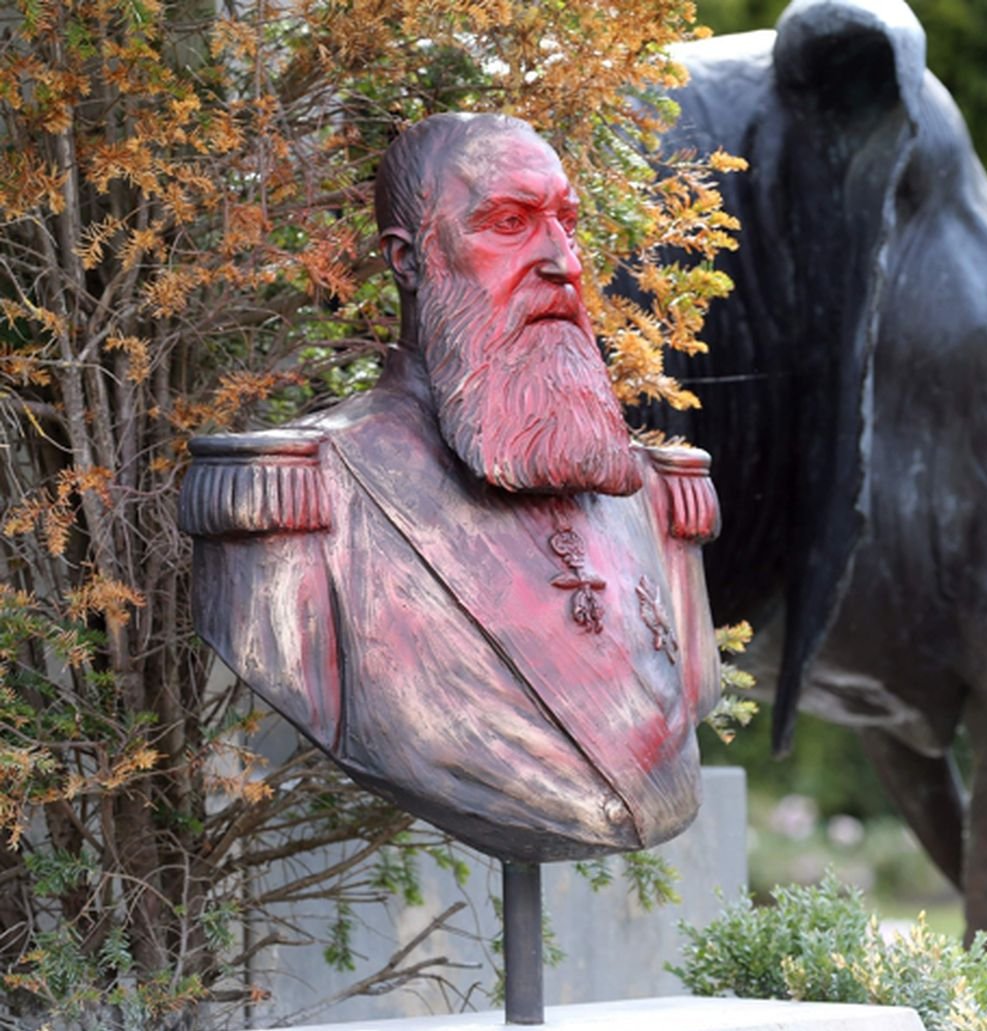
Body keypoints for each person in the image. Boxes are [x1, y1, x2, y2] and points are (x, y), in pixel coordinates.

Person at [181, 114, 722, 862]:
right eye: (508, 223)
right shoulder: (304, 507)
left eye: (564, 223)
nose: (562, 261)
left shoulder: (653, 499)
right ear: (408, 261)